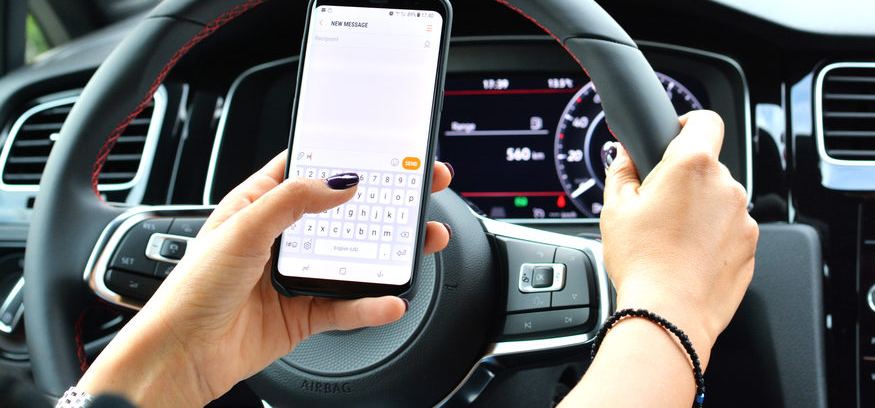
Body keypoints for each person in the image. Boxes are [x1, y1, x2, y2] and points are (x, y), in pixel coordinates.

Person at [55, 110, 755, 407]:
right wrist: (670, 303)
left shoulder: (201, 342)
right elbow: (669, 294)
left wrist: (183, 352)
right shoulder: (670, 297)